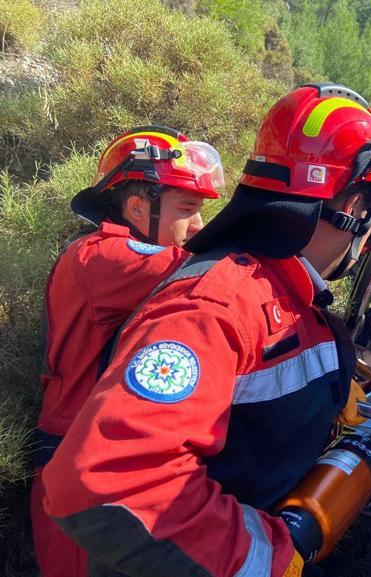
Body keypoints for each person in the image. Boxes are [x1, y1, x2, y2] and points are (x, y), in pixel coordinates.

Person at [42, 84, 371, 577]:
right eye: (185, 209)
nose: (196, 226)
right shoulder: (213, 297)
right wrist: (275, 557)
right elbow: (109, 481)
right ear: (352, 203)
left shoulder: (289, 296)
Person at [32, 126, 224, 577]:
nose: (198, 226)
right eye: (188, 209)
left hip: (92, 459)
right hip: (74, 464)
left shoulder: (106, 255)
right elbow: (213, 273)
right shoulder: (102, 257)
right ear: (137, 207)